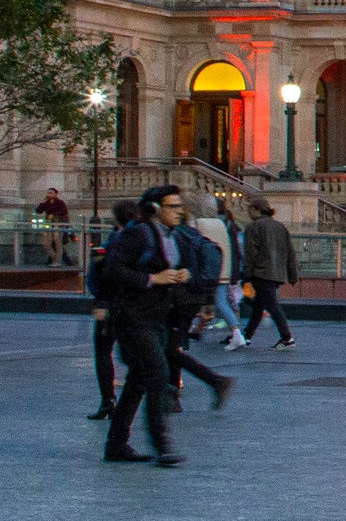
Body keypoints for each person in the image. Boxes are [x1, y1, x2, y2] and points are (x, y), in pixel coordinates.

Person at [97, 184, 200, 467]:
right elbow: (112, 270)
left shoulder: (174, 237)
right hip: (132, 318)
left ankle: (116, 444)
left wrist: (184, 274)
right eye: (173, 207)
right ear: (155, 209)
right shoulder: (138, 234)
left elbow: (189, 264)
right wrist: (153, 279)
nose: (179, 212)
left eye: (181, 206)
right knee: (158, 374)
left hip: (157, 318)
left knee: (138, 382)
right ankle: (162, 444)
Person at [162, 205, 236, 413]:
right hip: (192, 297)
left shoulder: (175, 236)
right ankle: (172, 394)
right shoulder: (193, 234)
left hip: (178, 297)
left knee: (169, 347)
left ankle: (214, 381)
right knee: (172, 346)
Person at [86, 199, 139, 420]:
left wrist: (100, 299)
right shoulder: (142, 237)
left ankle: (109, 399)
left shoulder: (116, 240)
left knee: (104, 350)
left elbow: (100, 275)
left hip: (111, 303)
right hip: (134, 303)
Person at [236, 200, 297, 350]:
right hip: (277, 272)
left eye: (249, 209)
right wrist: (292, 273)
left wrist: (247, 274)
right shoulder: (280, 226)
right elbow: (291, 252)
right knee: (259, 304)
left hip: (261, 272)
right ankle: (247, 335)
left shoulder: (253, 227)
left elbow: (250, 253)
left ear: (256, 210)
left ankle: (287, 337)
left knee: (270, 305)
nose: (248, 212)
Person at [190, 197, 244, 338]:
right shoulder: (221, 224)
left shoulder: (197, 223)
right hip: (222, 270)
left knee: (193, 300)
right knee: (222, 302)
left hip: (202, 270)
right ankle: (236, 332)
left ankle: (193, 328)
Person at [35, 188, 73, 266]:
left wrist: (54, 214)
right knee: (46, 243)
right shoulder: (46, 203)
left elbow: (64, 211)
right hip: (48, 225)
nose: (49, 194)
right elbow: (39, 211)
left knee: (58, 243)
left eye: (51, 193)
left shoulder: (60, 203)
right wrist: (41, 202)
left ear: (55, 194)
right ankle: (55, 258)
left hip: (58, 224)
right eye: (48, 193)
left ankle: (57, 262)